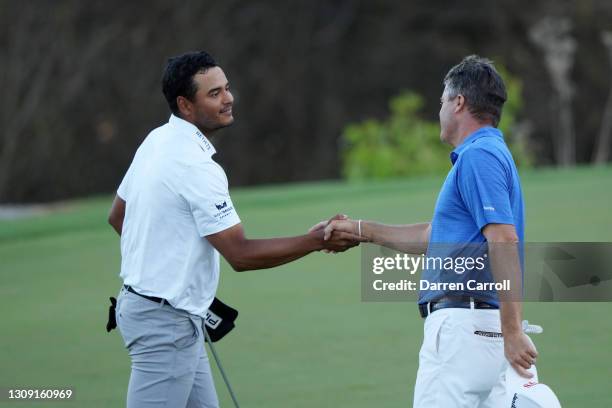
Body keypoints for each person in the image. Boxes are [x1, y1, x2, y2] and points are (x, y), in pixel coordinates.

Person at [107, 50, 361, 408]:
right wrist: (316, 240)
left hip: (169, 314)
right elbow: (240, 255)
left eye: (226, 88)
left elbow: (119, 216)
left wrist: (179, 280)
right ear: (185, 104)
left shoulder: (157, 139)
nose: (228, 98)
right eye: (214, 94)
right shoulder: (197, 167)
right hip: (166, 324)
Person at [322, 55, 537, 407]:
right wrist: (361, 230)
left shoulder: (478, 156)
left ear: (459, 102)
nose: (439, 110)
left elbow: (503, 239)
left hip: (464, 332)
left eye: (441, 101)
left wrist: (513, 331)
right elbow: (433, 237)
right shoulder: (489, 153)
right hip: (484, 330)